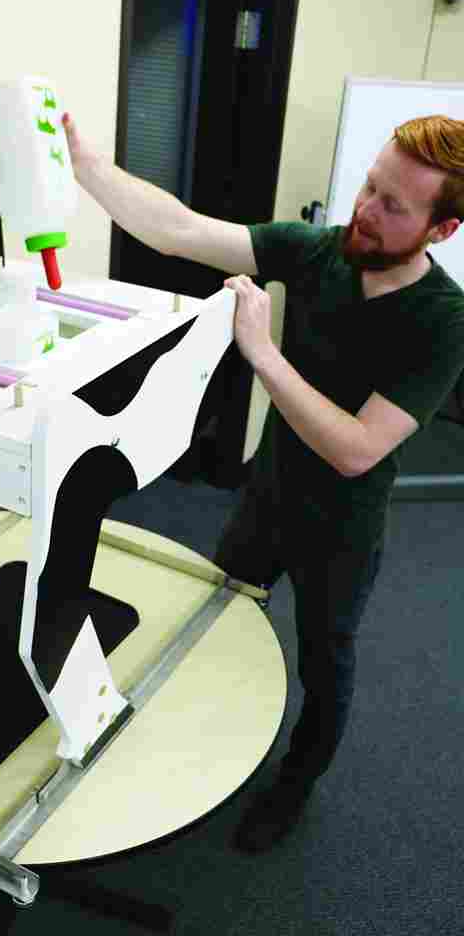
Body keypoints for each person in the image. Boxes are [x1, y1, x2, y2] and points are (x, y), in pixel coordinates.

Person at [61, 110, 464, 852]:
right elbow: (180, 230)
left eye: (393, 206)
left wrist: (263, 352)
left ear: (441, 230)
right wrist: (88, 169)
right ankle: (201, 740)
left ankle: (296, 782)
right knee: (217, 617)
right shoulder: (317, 252)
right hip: (268, 494)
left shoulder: (445, 322)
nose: (366, 211)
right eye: (370, 187)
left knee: (325, 662)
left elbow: (356, 449)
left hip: (342, 526)